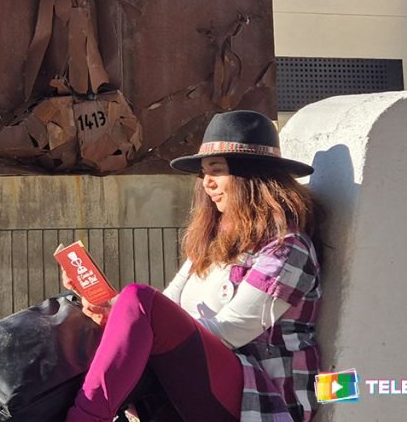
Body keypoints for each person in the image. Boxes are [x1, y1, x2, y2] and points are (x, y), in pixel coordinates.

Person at [64, 110, 321, 422]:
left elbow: (229, 332)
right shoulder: (213, 241)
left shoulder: (288, 248)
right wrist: (111, 310)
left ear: (249, 176)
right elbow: (168, 306)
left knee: (139, 299)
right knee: (97, 314)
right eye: (203, 174)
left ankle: (85, 417)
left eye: (215, 171)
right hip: (203, 383)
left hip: (261, 398)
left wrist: (139, 318)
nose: (206, 183)